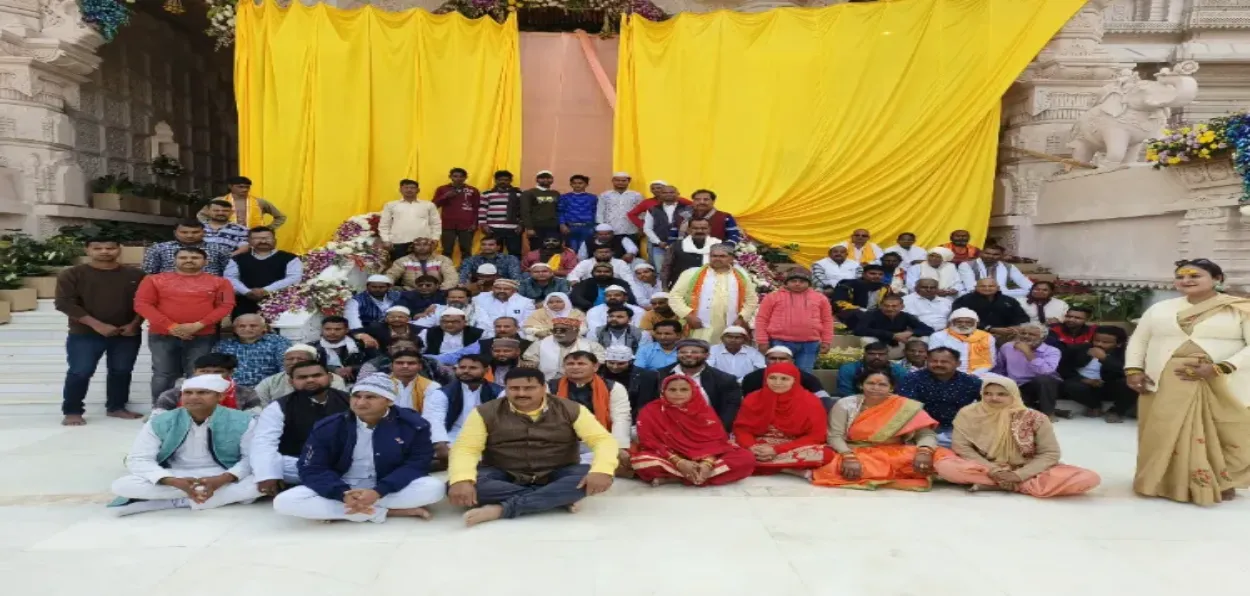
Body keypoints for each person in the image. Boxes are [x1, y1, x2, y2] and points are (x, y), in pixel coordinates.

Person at [1126, 259, 1250, 506]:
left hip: (1221, 380)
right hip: (1166, 379)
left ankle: (1221, 481)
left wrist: (1219, 368)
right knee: (1164, 430)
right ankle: (1162, 481)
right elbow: (1140, 340)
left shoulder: (1239, 309)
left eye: (1195, 275)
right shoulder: (1160, 309)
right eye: (1181, 276)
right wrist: (1134, 370)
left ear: (1217, 279)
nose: (1187, 280)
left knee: (1221, 430)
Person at [447, 367, 618, 526]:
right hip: (505, 472)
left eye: (529, 388)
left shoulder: (571, 409)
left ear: (543, 387)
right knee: (456, 484)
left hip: (557, 471)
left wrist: (602, 470)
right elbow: (466, 448)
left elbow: (602, 440)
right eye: (514, 388)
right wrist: (462, 479)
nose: (521, 393)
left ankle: (503, 509)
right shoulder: (485, 412)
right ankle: (555, 498)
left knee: (587, 477)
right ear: (505, 388)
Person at [272, 374, 446, 522]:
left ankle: (347, 511)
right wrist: (342, 493)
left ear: (389, 401)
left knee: (434, 489)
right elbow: (311, 467)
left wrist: (379, 491)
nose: (361, 403)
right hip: (342, 483)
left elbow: (417, 464)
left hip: (385, 484)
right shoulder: (329, 426)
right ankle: (384, 512)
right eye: (356, 396)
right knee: (285, 501)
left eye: (370, 397)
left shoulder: (413, 425)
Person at [107, 374, 261, 516]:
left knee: (262, 481)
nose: (193, 397)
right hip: (176, 474)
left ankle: (170, 502)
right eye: (188, 393)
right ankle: (208, 498)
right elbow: (138, 459)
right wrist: (173, 481)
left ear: (220, 396)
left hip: (222, 473)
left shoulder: (243, 420)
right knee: (121, 485)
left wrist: (222, 479)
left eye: (202, 392)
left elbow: (251, 459)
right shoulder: (161, 421)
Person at [935, 374, 1101, 497]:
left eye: (1001, 394)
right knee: (945, 467)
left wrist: (1018, 475)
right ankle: (1019, 486)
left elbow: (1050, 453)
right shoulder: (968, 413)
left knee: (1088, 478)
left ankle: (1006, 484)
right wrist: (994, 470)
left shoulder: (1035, 417)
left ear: (1013, 395)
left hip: (1027, 469)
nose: (993, 398)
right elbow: (961, 447)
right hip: (986, 467)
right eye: (988, 393)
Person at [56, 237, 146, 425]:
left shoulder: (136, 275)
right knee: (80, 371)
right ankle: (72, 411)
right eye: (98, 248)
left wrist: (135, 324)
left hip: (126, 333)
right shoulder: (72, 274)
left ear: (119, 249)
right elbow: (64, 303)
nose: (104, 251)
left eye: (110, 247)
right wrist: (97, 325)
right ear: (88, 250)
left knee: (121, 371)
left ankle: (117, 407)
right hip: (85, 333)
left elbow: (145, 303)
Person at [811, 369, 948, 490]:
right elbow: (835, 436)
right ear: (861, 385)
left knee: (942, 459)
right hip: (857, 452)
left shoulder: (904, 406)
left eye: (882, 384)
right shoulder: (845, 404)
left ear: (891, 388)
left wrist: (924, 451)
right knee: (832, 469)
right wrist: (848, 456)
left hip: (896, 452)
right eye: (870, 383)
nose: (876, 388)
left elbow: (925, 433)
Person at [134, 247, 234, 399]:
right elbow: (142, 304)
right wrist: (171, 326)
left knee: (198, 373)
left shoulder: (220, 282)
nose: (189, 260)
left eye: (195, 257)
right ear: (174, 260)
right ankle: (160, 411)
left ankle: (195, 411)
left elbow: (226, 305)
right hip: (163, 334)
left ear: (206, 262)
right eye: (183, 257)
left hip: (202, 335)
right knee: (163, 373)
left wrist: (198, 325)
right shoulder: (153, 280)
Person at [631, 374, 757, 486]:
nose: (678, 393)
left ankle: (678, 478)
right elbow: (649, 441)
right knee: (641, 461)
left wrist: (707, 463)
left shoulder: (703, 410)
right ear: (663, 391)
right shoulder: (651, 410)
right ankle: (699, 477)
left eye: (684, 389)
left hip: (705, 455)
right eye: (672, 390)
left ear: (693, 391)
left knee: (745, 459)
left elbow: (717, 442)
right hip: (669, 456)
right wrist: (679, 462)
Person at [251, 361, 351, 491]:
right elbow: (264, 441)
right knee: (271, 464)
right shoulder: (279, 406)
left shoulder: (351, 401)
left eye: (317, 375)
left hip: (344, 462)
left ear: (330, 377)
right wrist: (267, 475)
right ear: (291, 382)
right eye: (302, 377)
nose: (310, 380)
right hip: (300, 463)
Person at [733, 362, 834, 476]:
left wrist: (777, 450)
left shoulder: (811, 401)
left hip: (793, 446)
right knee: (727, 451)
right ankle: (788, 469)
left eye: (784, 379)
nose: (777, 383)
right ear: (766, 379)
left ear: (794, 380)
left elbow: (817, 436)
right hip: (758, 444)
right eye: (772, 378)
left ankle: (754, 465)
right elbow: (742, 430)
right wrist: (752, 447)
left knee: (825, 455)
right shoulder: (753, 398)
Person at [550, 351, 632, 472]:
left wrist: (619, 447)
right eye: (570, 364)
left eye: (581, 363)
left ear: (595, 367)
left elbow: (621, 418)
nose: (575, 367)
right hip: (559, 441)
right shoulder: (550, 386)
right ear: (564, 367)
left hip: (599, 439)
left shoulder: (613, 387)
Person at [422, 354, 505, 470]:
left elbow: (503, 422)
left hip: (487, 438)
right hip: (452, 437)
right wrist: (440, 443)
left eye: (473, 368)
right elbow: (434, 420)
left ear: (486, 370)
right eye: (462, 367)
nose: (466, 371)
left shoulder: (500, 393)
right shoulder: (441, 393)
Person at [669, 243, 758, 344]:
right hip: (699, 326)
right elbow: (674, 297)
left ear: (731, 258)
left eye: (722, 256)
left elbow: (752, 299)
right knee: (698, 354)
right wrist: (688, 316)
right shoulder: (691, 273)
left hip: (730, 327)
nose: (717, 259)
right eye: (714, 256)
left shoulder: (741, 276)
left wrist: (742, 318)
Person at [897, 347, 982, 446]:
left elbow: (988, 404)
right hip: (923, 428)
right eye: (934, 361)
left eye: (944, 362)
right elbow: (908, 408)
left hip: (960, 427)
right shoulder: (912, 379)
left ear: (958, 363)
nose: (938, 364)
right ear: (927, 361)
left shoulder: (970, 382)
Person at [754, 268, 833, 372]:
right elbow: (762, 320)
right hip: (779, 342)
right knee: (778, 372)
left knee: (804, 375)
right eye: (793, 281)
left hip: (809, 344)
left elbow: (827, 320)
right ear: (786, 282)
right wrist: (762, 341)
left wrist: (826, 341)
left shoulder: (820, 298)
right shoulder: (772, 297)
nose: (797, 284)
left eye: (802, 281)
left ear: (809, 283)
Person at [653, 339, 743, 430]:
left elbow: (730, 411)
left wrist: (717, 431)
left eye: (694, 352)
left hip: (708, 429)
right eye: (683, 352)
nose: (688, 355)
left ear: (706, 355)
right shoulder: (659, 375)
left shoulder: (724, 379)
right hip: (666, 427)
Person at [1061, 326, 1134, 423]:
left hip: (1110, 387)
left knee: (1129, 383)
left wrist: (1105, 359)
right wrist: (1083, 380)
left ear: (1119, 344)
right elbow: (1063, 370)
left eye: (1105, 342)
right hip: (1085, 386)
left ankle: (1116, 411)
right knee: (1071, 385)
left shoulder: (1127, 354)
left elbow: (1126, 371)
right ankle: (1095, 406)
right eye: (1097, 340)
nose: (1099, 344)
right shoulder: (1079, 349)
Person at [223, 227, 301, 317]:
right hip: (244, 305)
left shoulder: (290, 258)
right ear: (249, 241)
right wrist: (247, 292)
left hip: (280, 306)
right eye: (257, 238)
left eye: (267, 238)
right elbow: (230, 278)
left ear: (275, 240)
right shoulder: (238, 259)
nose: (263, 241)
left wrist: (265, 290)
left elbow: (294, 278)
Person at [993, 323, 1066, 419]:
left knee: (1044, 379)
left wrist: (1028, 353)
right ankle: (1038, 408)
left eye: (1032, 334)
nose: (1026, 336)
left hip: (1043, 387)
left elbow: (1046, 371)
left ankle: (1049, 413)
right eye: (1023, 333)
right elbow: (999, 368)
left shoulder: (1052, 351)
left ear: (1042, 338)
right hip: (1017, 386)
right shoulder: (1007, 347)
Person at [150, 353, 263, 414]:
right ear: (195, 371)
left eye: (218, 372)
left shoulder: (247, 393)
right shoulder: (173, 394)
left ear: (230, 372)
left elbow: (255, 420)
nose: (210, 376)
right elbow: (156, 420)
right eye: (204, 371)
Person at [212, 314, 291, 387]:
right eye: (242, 326)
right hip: (232, 389)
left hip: (267, 388)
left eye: (253, 326)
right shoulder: (224, 345)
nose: (247, 329)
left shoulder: (277, 341)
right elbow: (215, 369)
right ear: (235, 329)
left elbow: (285, 365)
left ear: (264, 328)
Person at [741, 346, 833, 409]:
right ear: (766, 361)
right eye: (773, 358)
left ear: (792, 361)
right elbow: (747, 402)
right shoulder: (752, 378)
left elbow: (824, 399)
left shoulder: (807, 378)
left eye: (782, 359)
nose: (777, 362)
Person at [254, 345, 348, 405]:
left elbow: (338, 403)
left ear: (314, 361)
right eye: (290, 359)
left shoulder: (332, 379)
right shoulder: (271, 381)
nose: (294, 362)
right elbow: (257, 405)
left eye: (301, 359)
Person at [521, 317, 606, 380]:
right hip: (547, 382)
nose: (558, 333)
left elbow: (598, 364)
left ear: (576, 331)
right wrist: (530, 364)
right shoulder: (540, 344)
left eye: (563, 330)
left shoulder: (592, 346)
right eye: (555, 330)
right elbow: (530, 361)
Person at [853, 295, 935, 359]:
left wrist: (910, 332)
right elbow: (859, 330)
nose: (890, 309)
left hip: (901, 344)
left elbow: (929, 330)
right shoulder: (871, 314)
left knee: (925, 338)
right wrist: (892, 335)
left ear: (901, 307)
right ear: (881, 306)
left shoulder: (905, 316)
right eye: (886, 306)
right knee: (866, 339)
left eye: (894, 306)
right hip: (880, 345)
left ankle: (916, 360)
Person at [379, 179, 442, 261]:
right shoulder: (391, 205)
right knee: (399, 269)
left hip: (423, 244)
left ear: (418, 190)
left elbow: (435, 224)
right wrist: (386, 240)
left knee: (422, 269)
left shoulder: (428, 205)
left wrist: (435, 238)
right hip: (398, 242)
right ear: (400, 190)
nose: (409, 190)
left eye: (412, 188)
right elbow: (384, 224)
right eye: (406, 187)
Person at [141, 220, 232, 276]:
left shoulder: (220, 249)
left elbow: (229, 274)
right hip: (169, 292)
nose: (190, 235)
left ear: (204, 232)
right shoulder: (159, 248)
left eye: (195, 232)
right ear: (175, 233)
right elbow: (149, 273)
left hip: (210, 292)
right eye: (184, 232)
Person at [202, 175, 286, 230]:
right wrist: (211, 227)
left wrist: (268, 228)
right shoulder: (219, 201)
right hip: (226, 235)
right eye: (240, 187)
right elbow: (201, 215)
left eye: (247, 187)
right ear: (230, 186)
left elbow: (280, 217)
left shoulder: (259, 202)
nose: (245, 189)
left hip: (252, 236)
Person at [433, 167, 481, 261]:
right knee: (447, 250)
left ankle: (465, 271)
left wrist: (475, 224)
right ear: (450, 177)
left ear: (465, 177)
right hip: (447, 225)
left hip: (467, 225)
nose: (458, 178)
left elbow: (477, 208)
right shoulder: (442, 189)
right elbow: (434, 205)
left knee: (466, 250)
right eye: (455, 176)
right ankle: (446, 271)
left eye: (461, 176)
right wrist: (445, 196)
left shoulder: (473, 190)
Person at [927, 308, 996, 374]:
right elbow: (935, 360)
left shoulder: (986, 337)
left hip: (980, 374)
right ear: (951, 323)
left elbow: (990, 362)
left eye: (968, 322)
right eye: (959, 322)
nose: (963, 324)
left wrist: (974, 374)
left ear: (976, 324)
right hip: (946, 373)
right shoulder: (938, 336)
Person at [600, 345, 660, 419]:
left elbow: (647, 403)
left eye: (621, 364)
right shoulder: (597, 374)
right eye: (611, 363)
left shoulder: (647, 377)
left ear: (630, 362)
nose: (615, 367)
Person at [640, 184, 692, 269]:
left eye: (671, 192)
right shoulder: (653, 209)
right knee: (661, 272)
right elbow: (647, 228)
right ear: (660, 194)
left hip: (683, 246)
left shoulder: (688, 208)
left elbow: (692, 226)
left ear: (678, 193)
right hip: (660, 247)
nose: (668, 194)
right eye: (665, 192)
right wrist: (658, 242)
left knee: (682, 271)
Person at [957, 245, 1033, 300]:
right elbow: (971, 287)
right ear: (981, 253)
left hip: (1002, 295)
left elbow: (1027, 285)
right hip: (976, 296)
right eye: (987, 253)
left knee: (1031, 293)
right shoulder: (967, 265)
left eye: (995, 254)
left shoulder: (1008, 267)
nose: (990, 256)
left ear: (1002, 256)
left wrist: (1033, 291)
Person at [662, 218, 720, 288]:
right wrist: (665, 288)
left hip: (711, 287)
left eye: (704, 228)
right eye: (695, 228)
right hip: (681, 288)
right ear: (688, 230)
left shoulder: (718, 246)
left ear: (709, 229)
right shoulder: (676, 246)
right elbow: (666, 268)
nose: (699, 231)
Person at [836, 342, 908, 398]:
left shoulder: (898, 370)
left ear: (887, 355)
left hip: (890, 404)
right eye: (872, 354)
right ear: (864, 354)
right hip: (856, 404)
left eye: (881, 354)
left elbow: (903, 393)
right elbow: (846, 393)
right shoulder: (849, 369)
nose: (877, 357)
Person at [477, 170, 524, 256]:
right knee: (494, 252)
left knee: (515, 252)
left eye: (506, 180)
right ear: (495, 180)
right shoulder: (487, 193)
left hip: (513, 228)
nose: (503, 182)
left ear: (510, 181)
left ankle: (514, 269)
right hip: (493, 228)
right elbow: (482, 209)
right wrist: (483, 225)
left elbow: (523, 210)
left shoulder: (518, 194)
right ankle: (495, 269)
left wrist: (521, 225)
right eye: (500, 180)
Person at [671, 189, 742, 244]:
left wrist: (727, 247)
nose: (702, 202)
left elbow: (734, 235)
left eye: (706, 199)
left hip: (714, 255)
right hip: (683, 254)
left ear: (713, 201)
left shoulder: (725, 217)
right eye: (697, 199)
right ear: (693, 201)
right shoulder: (681, 216)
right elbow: (672, 236)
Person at [385, 237, 459, 291]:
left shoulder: (443, 259)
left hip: (437, 291)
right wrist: (387, 285)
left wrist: (441, 289)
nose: (422, 247)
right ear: (413, 247)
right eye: (418, 245)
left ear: (432, 247)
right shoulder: (403, 260)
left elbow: (451, 278)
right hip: (410, 291)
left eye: (425, 245)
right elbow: (391, 275)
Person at [314, 316, 371, 382]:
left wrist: (353, 368)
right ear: (322, 330)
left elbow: (379, 361)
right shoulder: (313, 348)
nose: (332, 332)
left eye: (337, 329)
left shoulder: (362, 344)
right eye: (328, 329)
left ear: (347, 330)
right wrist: (333, 369)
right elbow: (308, 367)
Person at [570, 262, 638, 311]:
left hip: (619, 310)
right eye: (599, 271)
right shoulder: (585, 283)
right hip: (589, 310)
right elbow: (575, 297)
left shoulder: (621, 283)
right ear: (592, 273)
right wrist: (591, 308)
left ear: (612, 273)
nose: (602, 273)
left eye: (606, 271)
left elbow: (630, 299)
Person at [355, 306, 425, 353]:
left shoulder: (419, 329)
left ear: (408, 319)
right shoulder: (377, 328)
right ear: (386, 319)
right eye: (392, 317)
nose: (396, 319)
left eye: (400, 317)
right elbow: (353, 331)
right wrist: (363, 336)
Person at [416, 308, 483, 356]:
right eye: (445, 322)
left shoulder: (478, 333)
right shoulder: (428, 333)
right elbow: (418, 351)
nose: (449, 324)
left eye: (454, 322)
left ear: (465, 322)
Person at [596, 172, 643, 240]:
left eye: (624, 181)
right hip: (610, 231)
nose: (620, 182)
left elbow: (641, 213)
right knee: (612, 250)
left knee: (632, 250)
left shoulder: (636, 195)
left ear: (628, 181)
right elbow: (600, 212)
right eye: (617, 180)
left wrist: (641, 228)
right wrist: (601, 228)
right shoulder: (605, 195)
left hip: (631, 230)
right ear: (612, 181)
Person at [559, 174, 599, 253]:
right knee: (571, 250)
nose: (577, 185)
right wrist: (562, 224)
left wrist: (595, 227)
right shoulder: (564, 197)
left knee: (585, 250)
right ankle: (572, 265)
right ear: (571, 184)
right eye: (574, 183)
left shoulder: (593, 197)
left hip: (587, 228)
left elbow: (596, 212)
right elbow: (560, 211)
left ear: (586, 184)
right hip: (570, 227)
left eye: (580, 183)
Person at [520, 170, 562, 242]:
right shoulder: (529, 193)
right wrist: (529, 228)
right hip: (536, 227)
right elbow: (525, 211)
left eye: (548, 178)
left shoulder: (556, 193)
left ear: (552, 180)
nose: (546, 180)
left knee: (553, 249)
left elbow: (559, 210)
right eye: (542, 178)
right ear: (537, 179)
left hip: (553, 227)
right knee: (537, 249)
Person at [413, 287, 477, 329]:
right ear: (447, 299)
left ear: (468, 299)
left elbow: (484, 329)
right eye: (452, 297)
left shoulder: (476, 310)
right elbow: (420, 325)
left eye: (460, 297)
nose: (456, 299)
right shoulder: (437, 309)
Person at [569, 245, 634, 285]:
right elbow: (573, 275)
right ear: (594, 254)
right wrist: (575, 283)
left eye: (606, 252)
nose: (603, 254)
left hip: (614, 289)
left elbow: (629, 279)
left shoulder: (620, 263)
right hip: (590, 288)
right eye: (600, 252)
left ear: (612, 253)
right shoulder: (585, 263)